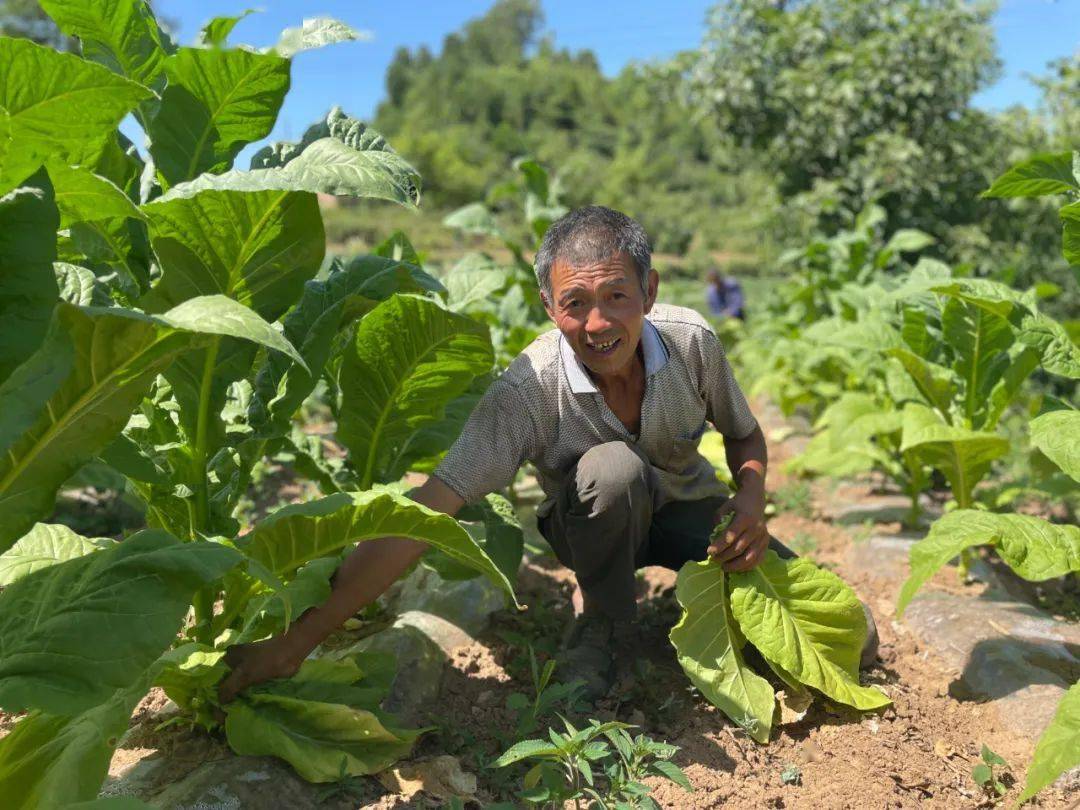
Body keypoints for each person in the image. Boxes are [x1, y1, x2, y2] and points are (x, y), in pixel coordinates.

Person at [219, 206, 878, 702]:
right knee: (611, 470)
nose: (598, 324)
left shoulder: (692, 343)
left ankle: (697, 592)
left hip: (687, 511)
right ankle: (605, 621)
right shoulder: (528, 390)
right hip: (589, 525)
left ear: (647, 293)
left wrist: (753, 498)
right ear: (548, 306)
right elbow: (429, 510)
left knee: (857, 644)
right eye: (575, 304)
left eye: (617, 297)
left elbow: (745, 435)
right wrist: (299, 639)